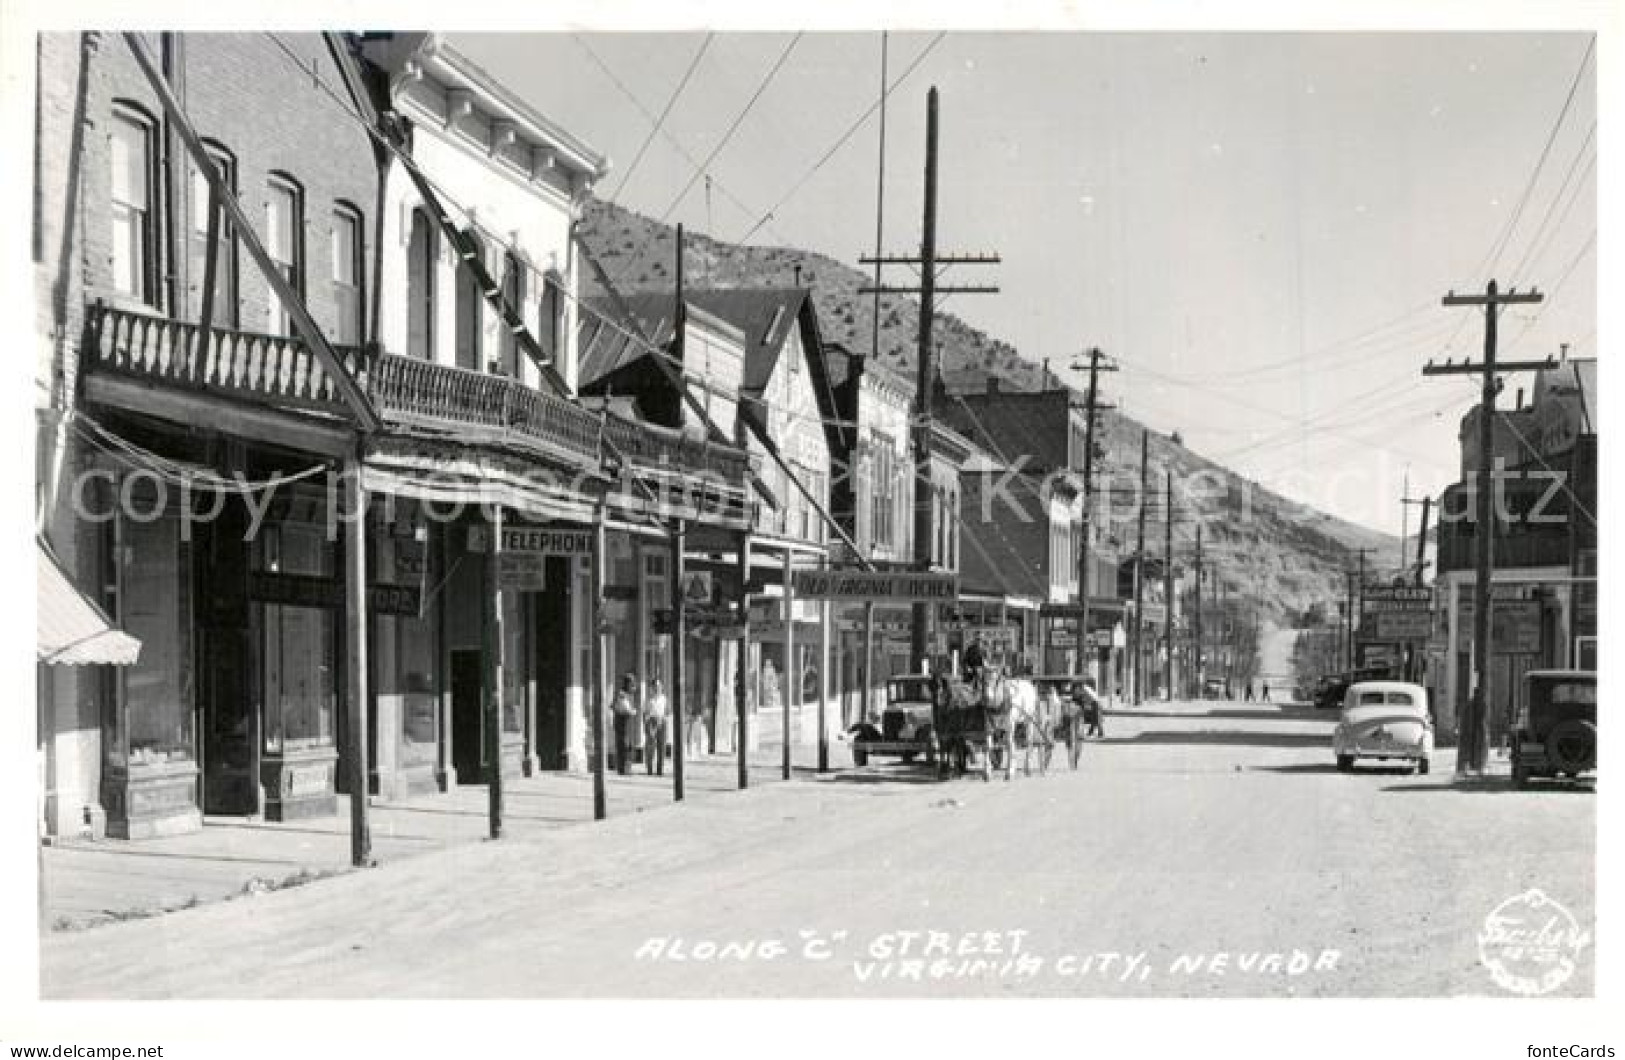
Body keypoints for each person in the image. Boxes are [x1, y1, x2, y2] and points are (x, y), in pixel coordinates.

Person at [611, 673, 638, 775]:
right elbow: (623, 708)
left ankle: (627, 768)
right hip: (622, 722)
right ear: (627, 684)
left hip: (628, 722)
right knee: (624, 745)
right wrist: (632, 711)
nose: (633, 686)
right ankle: (623, 769)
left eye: (633, 683)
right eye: (631, 684)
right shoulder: (622, 694)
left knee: (629, 745)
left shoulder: (630, 695)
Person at [643, 678, 670, 776]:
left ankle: (659, 770)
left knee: (661, 746)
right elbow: (645, 713)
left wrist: (664, 719)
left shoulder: (664, 698)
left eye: (658, 686)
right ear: (651, 688)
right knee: (651, 747)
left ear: (661, 687)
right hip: (652, 721)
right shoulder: (649, 699)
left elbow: (667, 711)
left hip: (661, 721)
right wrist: (647, 725)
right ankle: (649, 769)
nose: (657, 688)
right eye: (655, 686)